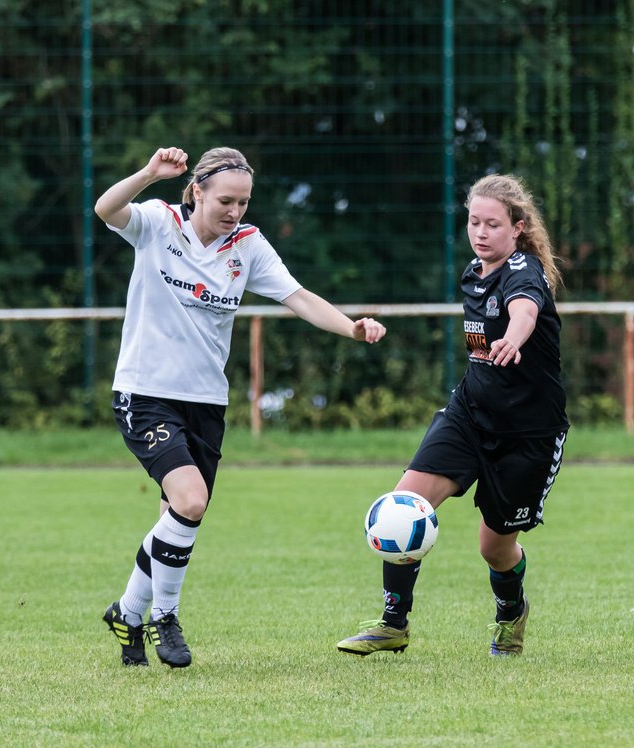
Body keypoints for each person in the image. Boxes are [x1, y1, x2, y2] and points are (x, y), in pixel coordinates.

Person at [96, 146, 386, 668]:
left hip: (205, 402)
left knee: (174, 517)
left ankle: (127, 612)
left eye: (244, 203)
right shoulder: (158, 224)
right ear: (196, 192)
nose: (235, 212)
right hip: (145, 393)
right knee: (189, 501)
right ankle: (166, 616)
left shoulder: (246, 246)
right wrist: (147, 174)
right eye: (226, 200)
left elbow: (298, 297)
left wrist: (352, 326)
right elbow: (105, 210)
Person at [336, 173, 569, 658]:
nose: (481, 233)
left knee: (495, 549)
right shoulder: (473, 272)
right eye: (473, 222)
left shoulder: (525, 272)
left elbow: (524, 309)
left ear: (518, 229)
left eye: (493, 225)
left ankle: (511, 614)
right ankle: (393, 624)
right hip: (469, 414)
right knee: (403, 505)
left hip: (528, 433)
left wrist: (515, 335)